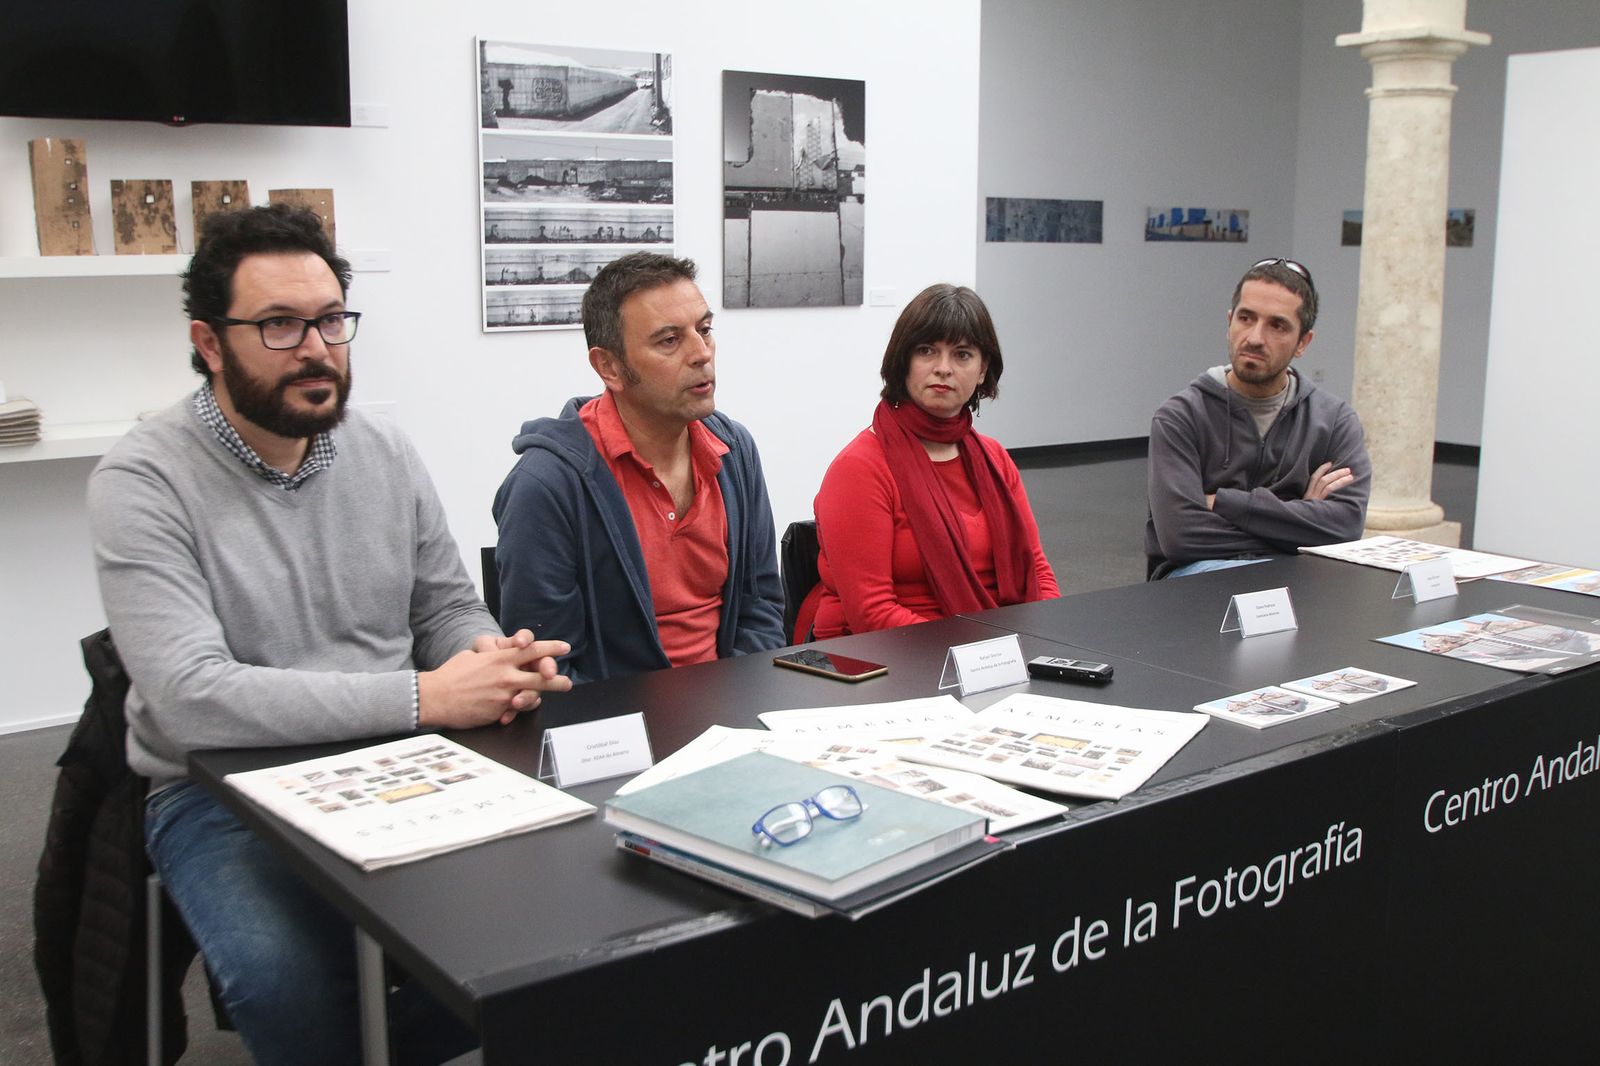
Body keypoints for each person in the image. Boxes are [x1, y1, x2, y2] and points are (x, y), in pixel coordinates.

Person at [86, 204, 571, 1065]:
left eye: (330, 320)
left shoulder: (382, 450)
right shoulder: (142, 478)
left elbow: (444, 609)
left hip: (397, 756)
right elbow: (193, 700)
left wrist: (489, 658)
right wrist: (426, 696)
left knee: (542, 923)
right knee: (283, 980)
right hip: (219, 787)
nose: (315, 347)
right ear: (208, 342)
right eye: (279, 325)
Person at [493, 252, 785, 682]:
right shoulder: (547, 485)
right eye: (669, 341)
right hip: (618, 731)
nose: (701, 354)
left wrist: (732, 704)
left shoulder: (733, 449)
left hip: (730, 709)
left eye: (704, 330)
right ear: (609, 367)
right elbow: (551, 669)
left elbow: (761, 607)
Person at [809, 284, 1059, 638]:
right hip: (888, 659)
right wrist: (983, 653)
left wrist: (1043, 637)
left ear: (983, 369)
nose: (943, 368)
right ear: (903, 361)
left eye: (962, 354)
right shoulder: (860, 468)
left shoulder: (994, 458)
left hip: (996, 650)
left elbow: (1038, 572)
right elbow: (872, 613)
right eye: (927, 351)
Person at [1144, 257, 1370, 579]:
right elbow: (1181, 537)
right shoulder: (1180, 417)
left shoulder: (1335, 421)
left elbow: (1345, 528)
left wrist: (1222, 503)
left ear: (1303, 342)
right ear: (1229, 321)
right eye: (1246, 318)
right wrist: (1300, 519)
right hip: (1199, 578)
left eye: (1277, 325)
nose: (1254, 338)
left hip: (1297, 577)